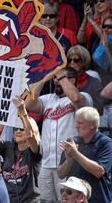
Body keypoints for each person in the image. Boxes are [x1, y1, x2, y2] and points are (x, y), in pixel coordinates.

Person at [25, 67, 92, 202]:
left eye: (59, 79)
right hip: (46, 163)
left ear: (72, 80)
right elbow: (29, 104)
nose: (56, 80)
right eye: (55, 79)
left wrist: (59, 71)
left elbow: (76, 98)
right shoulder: (49, 99)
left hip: (69, 163)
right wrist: (42, 79)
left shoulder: (84, 97)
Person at [0, 97, 41, 203]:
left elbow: (31, 136)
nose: (17, 131)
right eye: (15, 128)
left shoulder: (34, 149)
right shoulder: (8, 147)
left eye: (21, 129)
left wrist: (23, 113)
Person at [58, 107, 112, 203]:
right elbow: (60, 174)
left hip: (98, 199)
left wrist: (75, 154)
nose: (76, 126)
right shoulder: (72, 142)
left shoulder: (106, 143)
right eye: (76, 123)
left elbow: (99, 171)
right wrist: (69, 161)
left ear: (92, 125)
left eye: (80, 123)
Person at [66, 45, 104, 113]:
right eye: (69, 60)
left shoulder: (94, 82)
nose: (72, 62)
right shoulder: (64, 83)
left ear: (84, 61)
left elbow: (100, 108)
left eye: (76, 60)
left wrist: (82, 102)